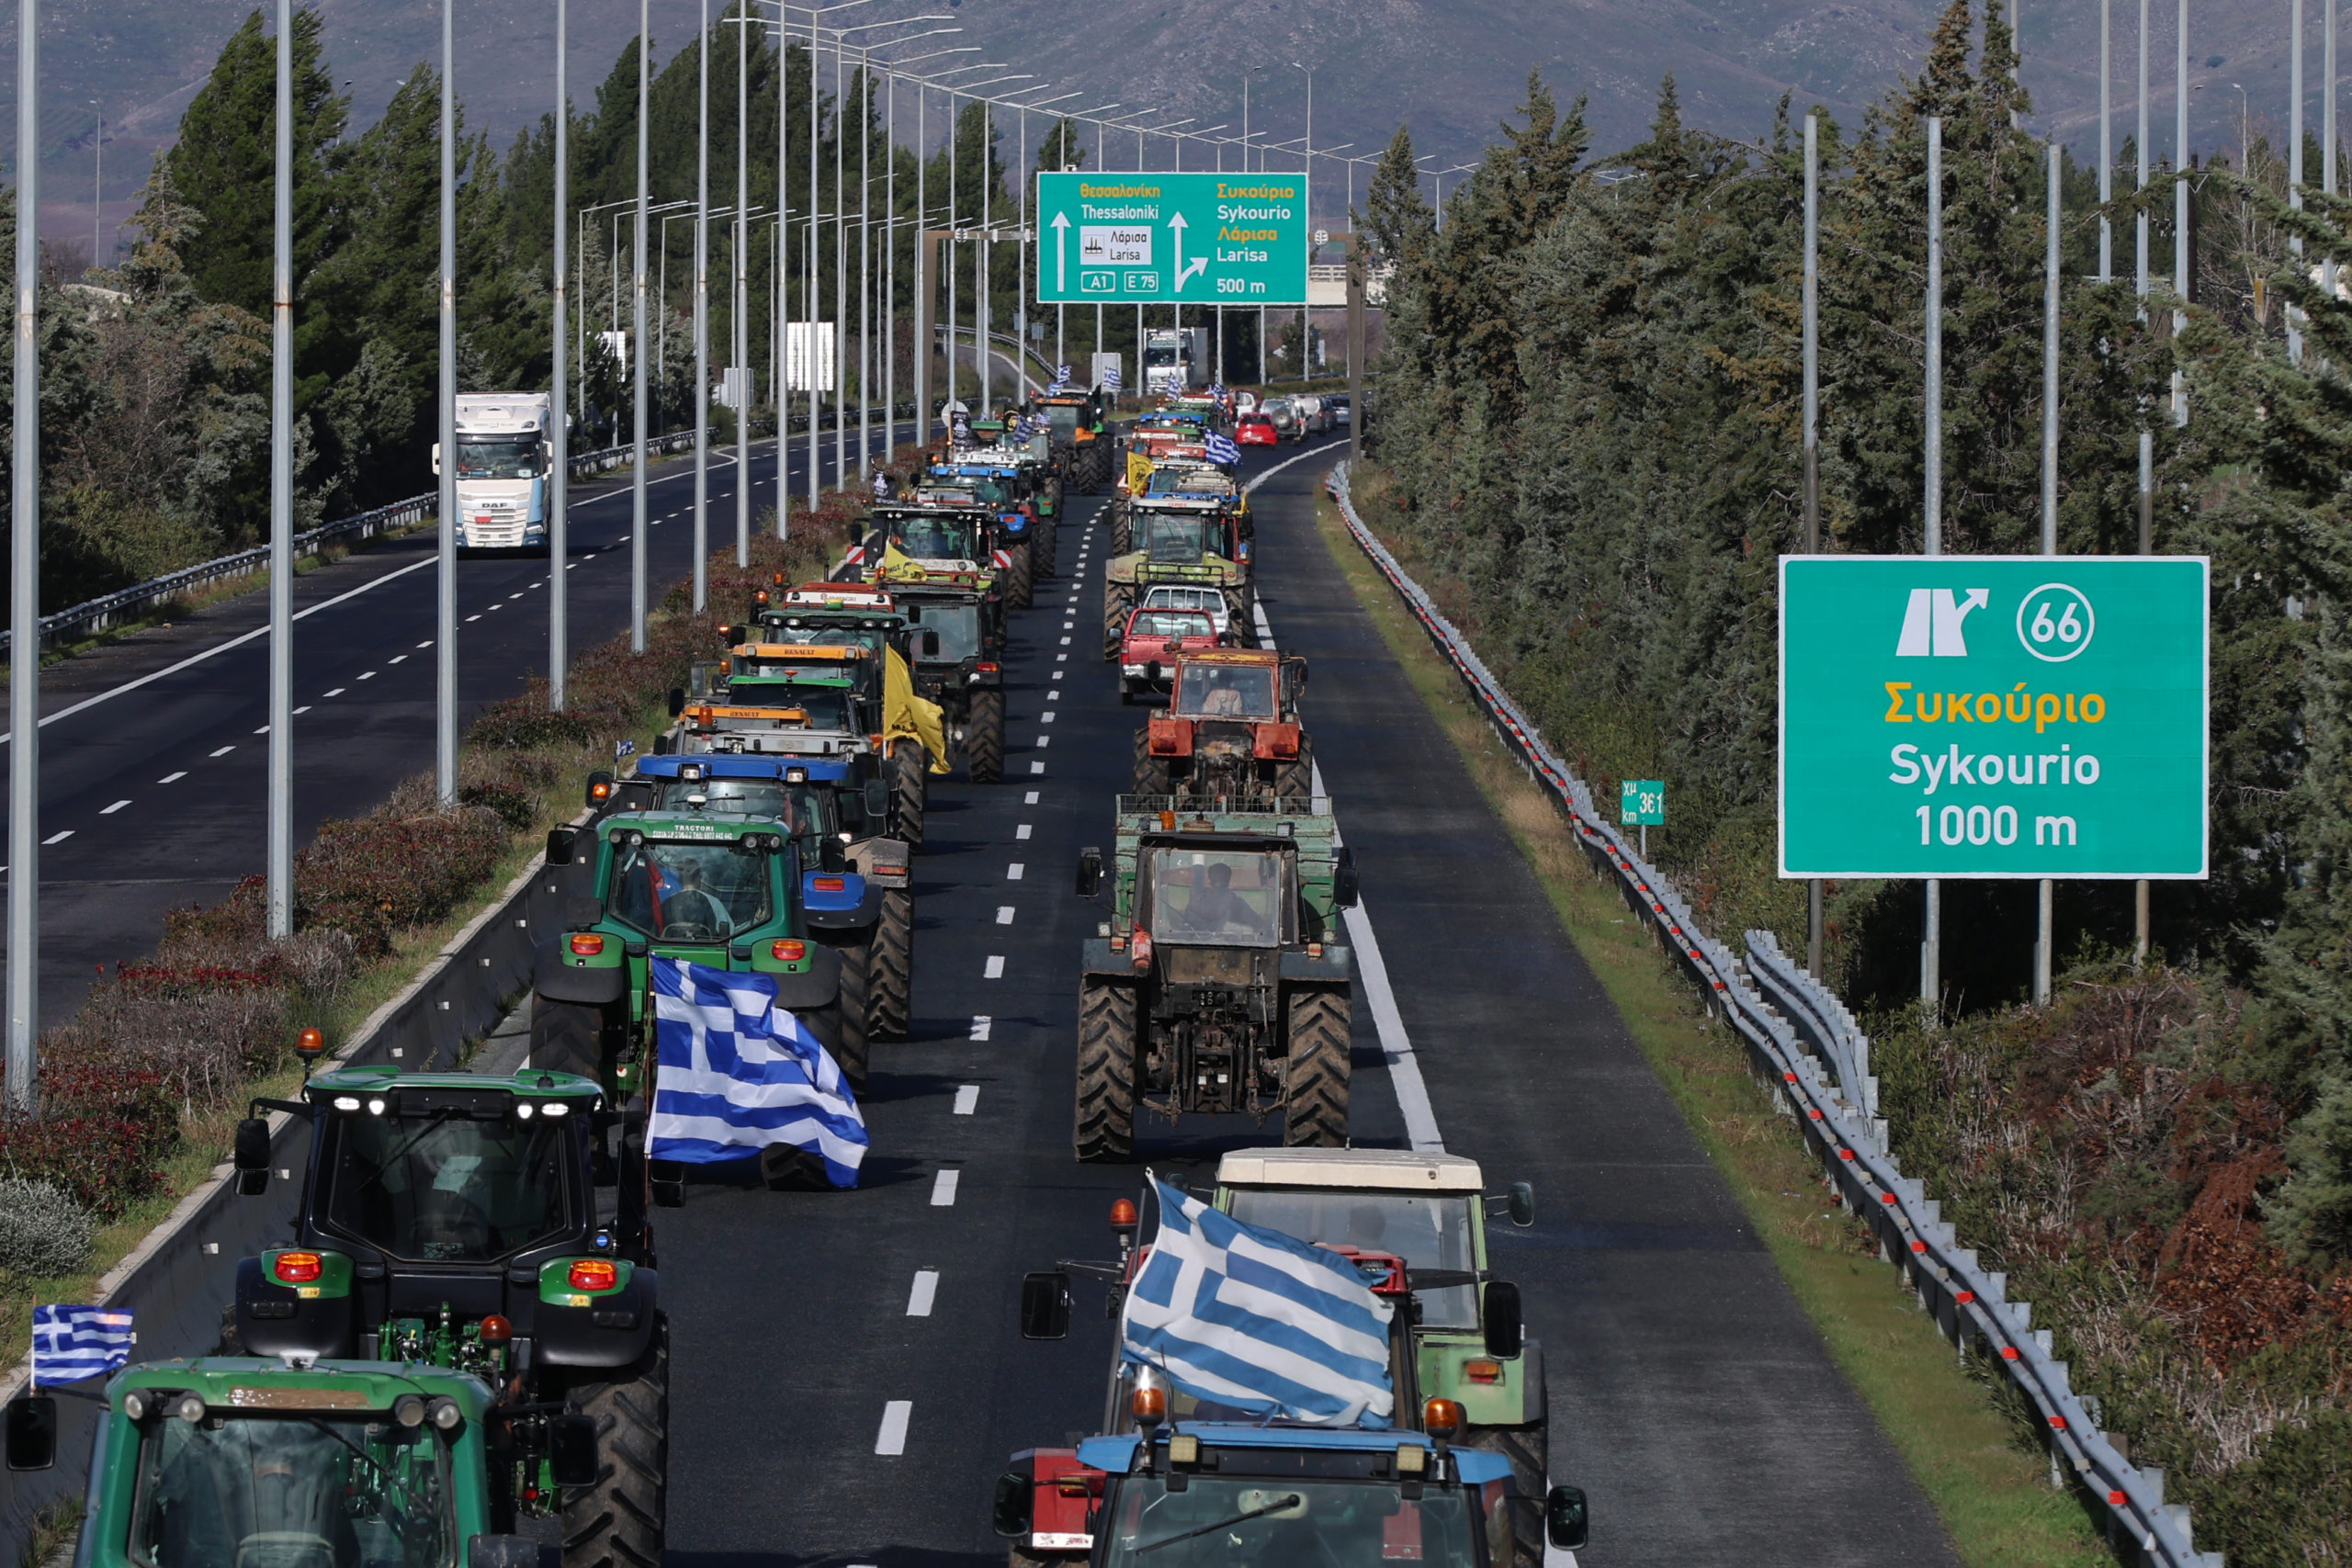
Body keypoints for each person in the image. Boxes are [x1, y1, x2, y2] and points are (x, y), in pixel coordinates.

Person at [1180, 862, 1260, 936]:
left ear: (1209, 879)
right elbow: (1259, 925)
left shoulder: (1196, 900)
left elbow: (1184, 928)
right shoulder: (1237, 902)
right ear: (1229, 879)